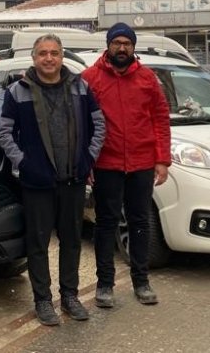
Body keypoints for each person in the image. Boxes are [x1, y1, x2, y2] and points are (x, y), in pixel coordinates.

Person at [0, 33, 106, 326]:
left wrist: (88, 159)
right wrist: (24, 164)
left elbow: (99, 125)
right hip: (38, 183)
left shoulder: (81, 87)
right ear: (34, 58)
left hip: (72, 178)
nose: (49, 58)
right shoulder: (17, 92)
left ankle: (70, 296)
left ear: (62, 57)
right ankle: (43, 300)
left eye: (54, 53)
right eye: (43, 53)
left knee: (72, 241)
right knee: (38, 244)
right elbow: (5, 134)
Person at [81, 22, 170, 308]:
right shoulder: (89, 78)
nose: (122, 48)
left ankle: (141, 281)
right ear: (108, 45)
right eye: (117, 42)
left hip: (142, 163)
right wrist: (88, 162)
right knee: (105, 224)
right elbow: (81, 126)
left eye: (127, 43)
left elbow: (160, 119)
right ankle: (105, 284)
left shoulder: (147, 78)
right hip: (106, 163)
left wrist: (162, 160)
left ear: (133, 47)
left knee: (140, 222)